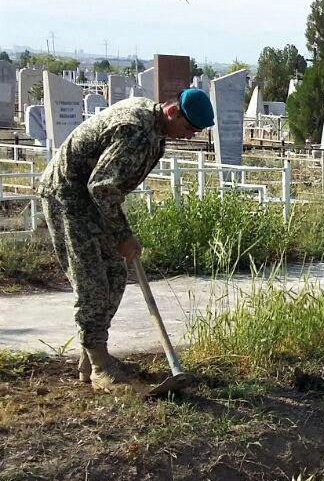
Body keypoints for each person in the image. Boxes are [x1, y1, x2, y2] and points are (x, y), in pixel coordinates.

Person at [38, 90, 212, 389]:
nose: (188, 137)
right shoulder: (137, 131)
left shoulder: (154, 125)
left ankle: (92, 355)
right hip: (68, 199)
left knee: (115, 275)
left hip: (91, 203)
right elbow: (102, 188)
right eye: (188, 129)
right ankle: (99, 365)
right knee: (92, 280)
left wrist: (120, 233)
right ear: (173, 112)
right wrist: (123, 235)